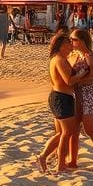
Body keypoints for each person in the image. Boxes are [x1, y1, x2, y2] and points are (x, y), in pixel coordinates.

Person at [68, 29, 93, 168]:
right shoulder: (74, 55)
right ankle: (73, 160)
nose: (71, 42)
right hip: (76, 93)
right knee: (74, 128)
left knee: (89, 127)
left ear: (82, 41)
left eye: (73, 39)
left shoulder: (90, 56)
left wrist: (79, 78)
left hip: (89, 92)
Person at [37, 33, 77, 172]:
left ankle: (48, 157)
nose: (71, 47)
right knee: (67, 132)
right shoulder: (59, 59)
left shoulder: (60, 58)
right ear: (61, 45)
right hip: (61, 97)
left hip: (60, 97)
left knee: (61, 133)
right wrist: (82, 73)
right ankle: (58, 162)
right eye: (68, 44)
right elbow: (69, 80)